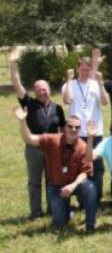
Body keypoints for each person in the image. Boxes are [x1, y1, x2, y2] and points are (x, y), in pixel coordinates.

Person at [15, 107, 97, 232]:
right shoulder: (52, 140)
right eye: (70, 126)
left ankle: (90, 225)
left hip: (75, 185)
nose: (73, 129)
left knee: (90, 188)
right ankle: (66, 213)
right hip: (56, 186)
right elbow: (29, 138)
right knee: (59, 224)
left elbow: (86, 172)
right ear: (64, 128)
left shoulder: (83, 146)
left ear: (80, 130)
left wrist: (73, 185)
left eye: (77, 127)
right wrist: (22, 121)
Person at [9, 47, 66, 220]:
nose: (42, 91)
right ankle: (36, 212)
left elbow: (63, 130)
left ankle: (52, 209)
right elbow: (17, 85)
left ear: (49, 90)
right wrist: (13, 64)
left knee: (52, 180)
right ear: (34, 91)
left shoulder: (58, 109)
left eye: (45, 88)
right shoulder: (29, 103)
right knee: (34, 182)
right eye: (39, 89)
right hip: (34, 147)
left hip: (52, 149)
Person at [62, 48, 110, 203]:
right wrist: (69, 81)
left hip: (95, 132)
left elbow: (105, 102)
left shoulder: (95, 84)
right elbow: (67, 100)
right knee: (78, 167)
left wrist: (101, 84)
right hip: (77, 133)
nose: (85, 72)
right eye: (82, 69)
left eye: (87, 70)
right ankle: (84, 199)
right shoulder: (70, 85)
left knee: (98, 167)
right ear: (77, 69)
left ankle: (97, 198)